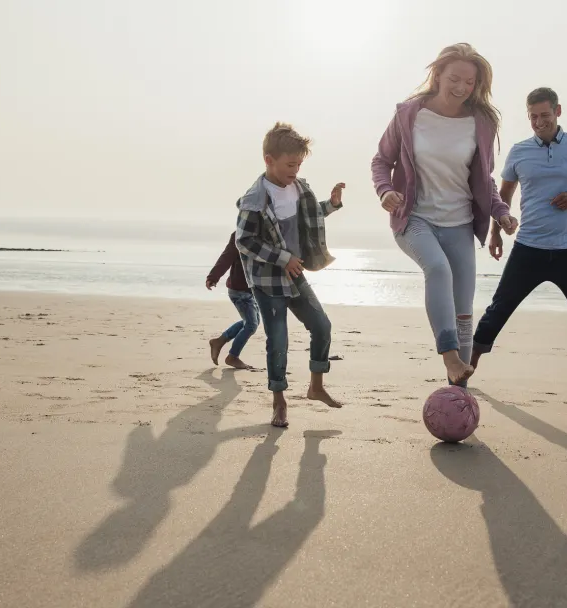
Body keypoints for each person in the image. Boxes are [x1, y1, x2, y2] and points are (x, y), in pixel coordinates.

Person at [371, 42, 518, 387]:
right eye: (455, 78)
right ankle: (450, 357)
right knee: (436, 269)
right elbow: (381, 161)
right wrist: (386, 191)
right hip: (414, 217)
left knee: (464, 311)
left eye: (470, 82)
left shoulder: (481, 122)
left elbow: (484, 179)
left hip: (460, 224)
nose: (462, 88)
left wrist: (501, 213)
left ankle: (459, 388)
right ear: (437, 75)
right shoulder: (408, 114)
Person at [472, 87, 567, 399]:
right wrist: (496, 233)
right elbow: (504, 197)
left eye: (544, 115)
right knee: (499, 309)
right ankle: (466, 369)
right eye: (533, 117)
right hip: (529, 248)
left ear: (558, 112)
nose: (538, 121)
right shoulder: (519, 151)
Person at [235, 122, 346, 427]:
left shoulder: (299, 187)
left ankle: (316, 386)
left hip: (295, 275)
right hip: (268, 281)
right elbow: (243, 240)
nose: (295, 170)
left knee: (322, 326)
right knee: (278, 341)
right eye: (289, 164)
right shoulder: (255, 199)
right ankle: (279, 401)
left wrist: (332, 205)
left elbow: (308, 217)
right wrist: (282, 257)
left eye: (299, 164)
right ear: (269, 160)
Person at [206, 232, 259, 370]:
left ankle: (219, 342)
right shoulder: (241, 235)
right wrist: (213, 277)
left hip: (252, 290)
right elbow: (226, 257)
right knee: (251, 325)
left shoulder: (265, 233)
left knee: (252, 321)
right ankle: (232, 357)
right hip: (240, 290)